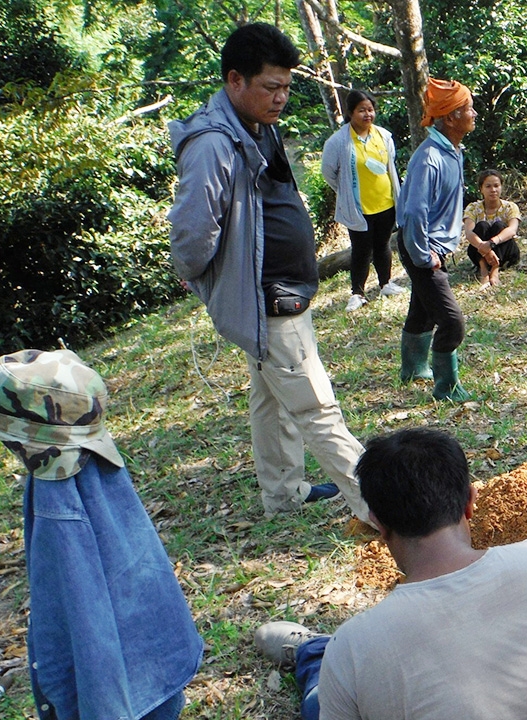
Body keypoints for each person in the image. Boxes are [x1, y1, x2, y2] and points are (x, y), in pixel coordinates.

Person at [251, 427, 527, 720]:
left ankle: (315, 654)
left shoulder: (354, 646)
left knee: (326, 697)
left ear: (377, 523)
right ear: (471, 502)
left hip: (355, 660)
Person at [168, 23, 372, 525]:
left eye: (287, 86)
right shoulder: (213, 143)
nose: (281, 97)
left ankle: (283, 493)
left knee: (271, 399)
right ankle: (384, 509)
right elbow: (192, 234)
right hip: (268, 298)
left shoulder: (256, 124)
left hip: (285, 292)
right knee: (317, 409)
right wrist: (203, 280)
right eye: (271, 87)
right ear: (235, 80)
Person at [0, 349, 204, 720]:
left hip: (119, 692)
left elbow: (85, 622)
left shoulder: (59, 503)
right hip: (154, 667)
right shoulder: (96, 458)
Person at [396, 77, 476, 401]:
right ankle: (447, 387)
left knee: (423, 310)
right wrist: (423, 256)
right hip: (422, 246)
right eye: (468, 109)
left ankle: (414, 369)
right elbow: (415, 211)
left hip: (433, 245)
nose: (474, 114)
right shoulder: (430, 157)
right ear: (450, 117)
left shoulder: (453, 150)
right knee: (452, 322)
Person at [321, 89, 406, 313]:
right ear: (350, 112)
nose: (367, 114)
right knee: (360, 250)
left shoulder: (383, 136)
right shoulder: (338, 142)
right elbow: (328, 172)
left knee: (383, 244)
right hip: (359, 207)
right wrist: (346, 191)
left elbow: (390, 165)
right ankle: (357, 293)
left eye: (370, 109)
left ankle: (385, 283)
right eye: (361, 110)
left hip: (385, 202)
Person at [462, 168, 522, 287]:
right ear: (481, 189)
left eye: (496, 185)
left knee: (499, 226)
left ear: (501, 187)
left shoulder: (510, 207)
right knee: (482, 226)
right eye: (488, 186)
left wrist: (491, 243)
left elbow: (512, 230)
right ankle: (483, 270)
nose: (493, 190)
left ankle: (495, 268)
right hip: (480, 253)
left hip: (506, 252)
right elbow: (469, 233)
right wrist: (484, 248)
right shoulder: (473, 208)